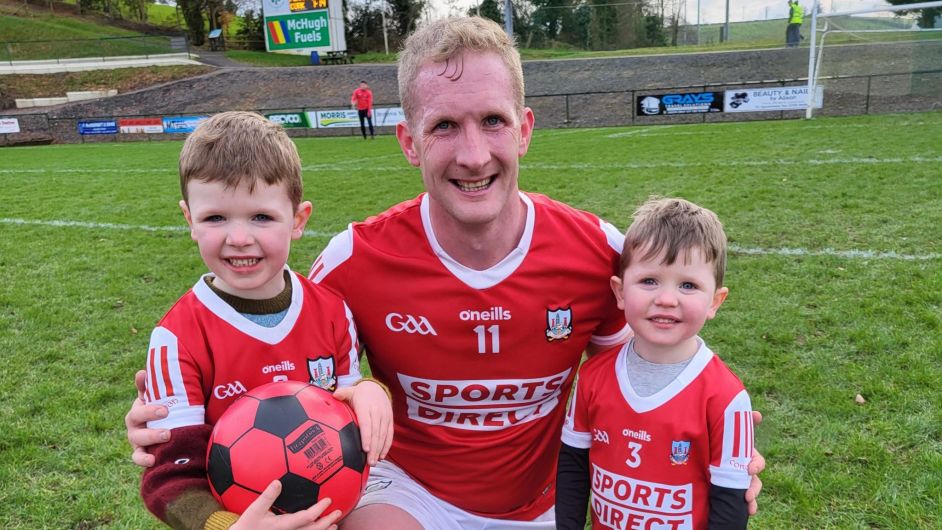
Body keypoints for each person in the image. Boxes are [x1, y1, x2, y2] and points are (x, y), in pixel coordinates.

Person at [126, 17, 765, 530]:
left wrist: (720, 449)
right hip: (407, 492)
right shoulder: (354, 261)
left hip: (545, 501)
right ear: (409, 141)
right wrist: (179, 435)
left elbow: (642, 378)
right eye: (444, 127)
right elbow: (282, 377)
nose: (473, 153)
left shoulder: (599, 251)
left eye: (493, 121)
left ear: (525, 130)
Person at [137, 111, 393, 530]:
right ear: (189, 220)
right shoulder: (176, 337)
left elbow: (347, 402)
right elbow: (168, 477)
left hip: (333, 513)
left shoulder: (332, 310)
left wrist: (369, 391)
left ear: (298, 220)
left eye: (261, 217)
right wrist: (225, 526)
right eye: (215, 218)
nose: (239, 238)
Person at [555, 198, 753, 530]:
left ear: (715, 301)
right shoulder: (591, 377)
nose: (665, 299)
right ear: (619, 292)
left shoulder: (726, 398)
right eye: (649, 281)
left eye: (688, 285)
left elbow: (731, 505)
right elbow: (573, 468)